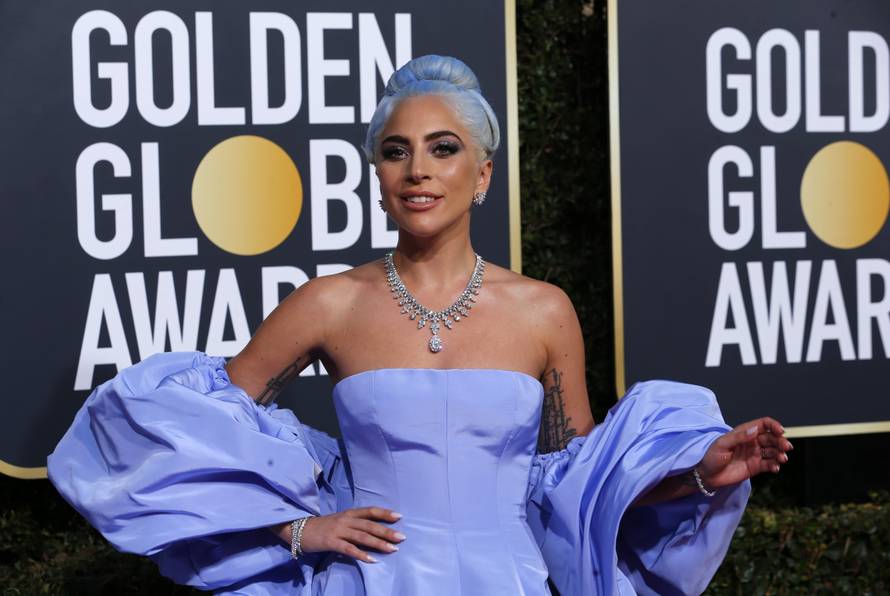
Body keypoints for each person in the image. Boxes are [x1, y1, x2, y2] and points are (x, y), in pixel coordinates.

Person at [48, 55, 792, 596]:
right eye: (395, 152)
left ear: (484, 174)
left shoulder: (544, 311)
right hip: (368, 582)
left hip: (512, 581)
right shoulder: (328, 303)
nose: (418, 170)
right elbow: (191, 430)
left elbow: (580, 482)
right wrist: (298, 530)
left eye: (444, 149)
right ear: (378, 176)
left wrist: (698, 473)